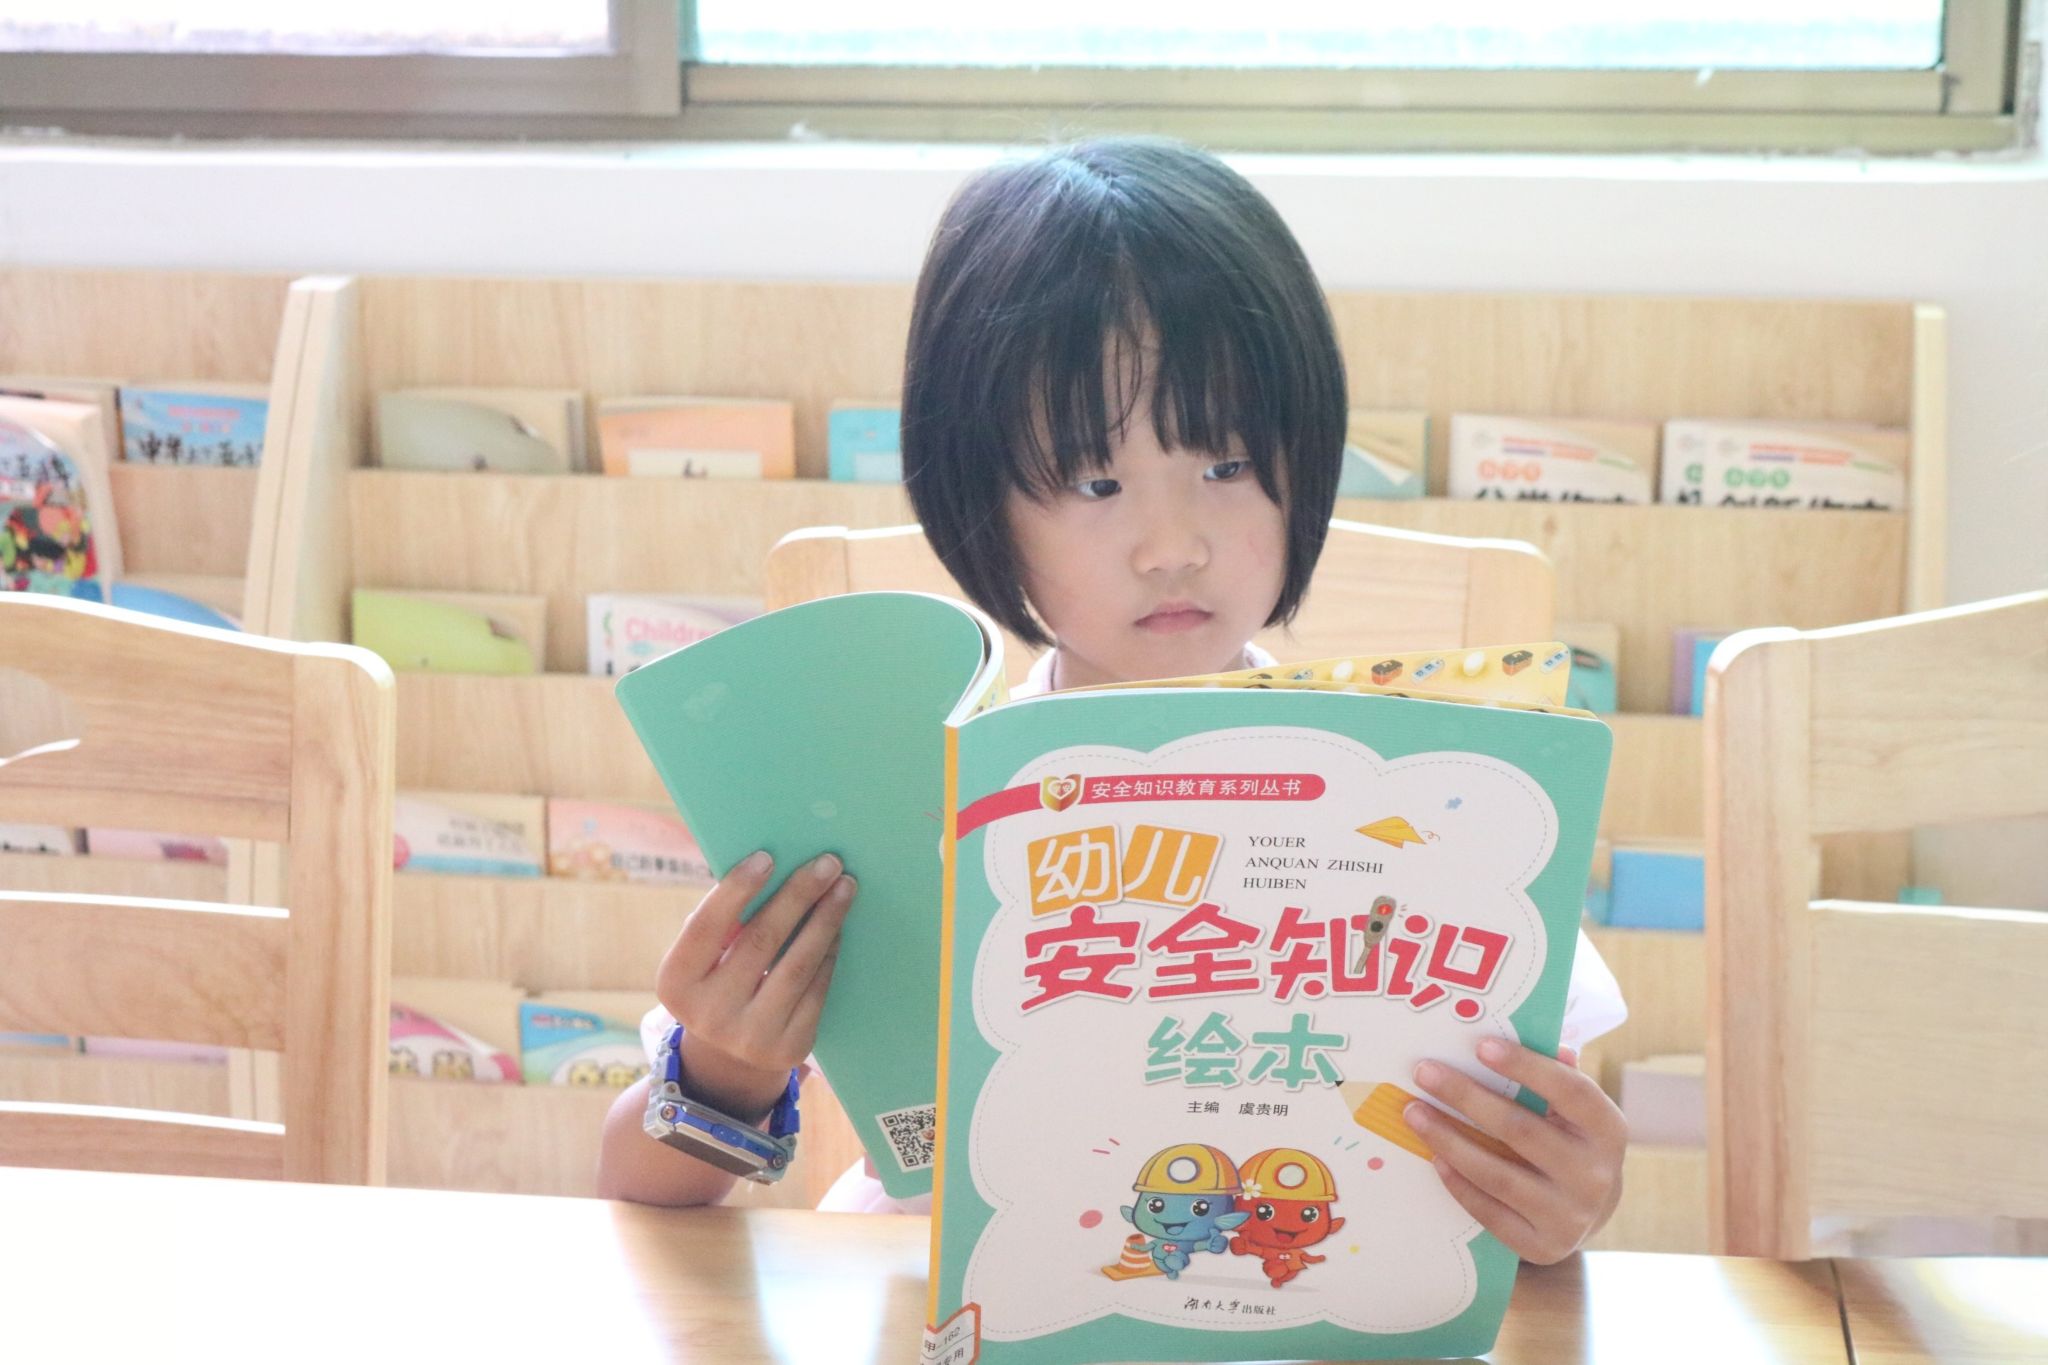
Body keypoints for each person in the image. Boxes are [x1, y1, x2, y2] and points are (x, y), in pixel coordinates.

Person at [597, 136, 1629, 1263]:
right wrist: (726, 1068)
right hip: (943, 1298)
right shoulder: (898, 802)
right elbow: (639, 1191)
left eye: (1228, 466)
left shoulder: (1427, 803)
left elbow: (1543, 1182)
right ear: (979, 500)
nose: (1172, 545)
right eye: (1096, 482)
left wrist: (1563, 1199)